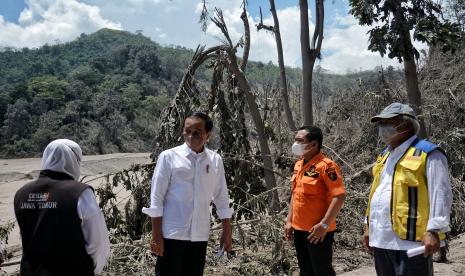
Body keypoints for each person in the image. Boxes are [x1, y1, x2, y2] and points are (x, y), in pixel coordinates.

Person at [363, 102, 453, 276]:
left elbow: (440, 194)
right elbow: (377, 192)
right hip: (382, 239)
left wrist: (434, 230)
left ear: (405, 124)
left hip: (412, 242)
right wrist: (368, 227)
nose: (381, 128)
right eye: (380, 123)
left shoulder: (428, 153)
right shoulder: (385, 156)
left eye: (386, 122)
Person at [142, 112, 233, 276]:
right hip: (172, 234)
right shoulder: (169, 157)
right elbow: (157, 198)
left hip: (200, 234)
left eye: (197, 132)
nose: (191, 136)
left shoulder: (215, 160)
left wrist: (227, 231)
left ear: (208, 134)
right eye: (187, 131)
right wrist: (156, 236)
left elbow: (221, 197)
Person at [14, 139, 110, 276]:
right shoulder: (80, 193)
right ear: (74, 160)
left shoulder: (21, 193)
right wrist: (90, 270)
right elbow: (99, 245)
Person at [284, 126, 346, 276]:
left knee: (322, 271)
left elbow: (339, 196)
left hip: (318, 231)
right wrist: (289, 219)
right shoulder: (299, 164)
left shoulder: (327, 166)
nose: (295, 144)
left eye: (300, 141)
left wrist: (324, 225)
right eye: (295, 140)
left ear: (313, 144)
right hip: (299, 229)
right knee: (305, 270)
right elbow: (295, 193)